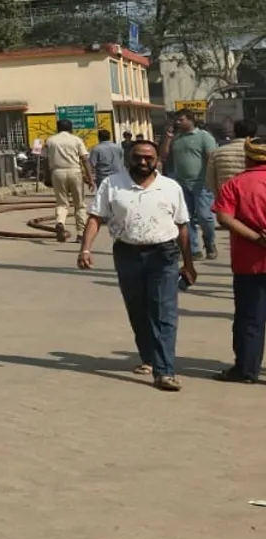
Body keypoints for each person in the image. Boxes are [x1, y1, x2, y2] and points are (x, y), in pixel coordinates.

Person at [79, 137, 196, 391]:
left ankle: (164, 371)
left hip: (163, 255)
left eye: (148, 158)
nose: (143, 162)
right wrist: (85, 248)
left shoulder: (170, 187)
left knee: (164, 312)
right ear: (128, 158)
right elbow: (95, 218)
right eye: (137, 157)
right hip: (127, 254)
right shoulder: (112, 184)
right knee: (138, 309)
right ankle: (149, 358)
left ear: (157, 161)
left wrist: (188, 263)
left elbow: (182, 227)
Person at [212, 137, 266, 384]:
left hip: (249, 264)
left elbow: (224, 218)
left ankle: (246, 370)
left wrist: (256, 238)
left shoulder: (235, 185)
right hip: (250, 264)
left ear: (248, 157)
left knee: (249, 318)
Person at [168, 110, 220, 259]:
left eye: (181, 120)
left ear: (190, 120)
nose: (177, 122)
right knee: (186, 217)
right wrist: (167, 138)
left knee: (205, 216)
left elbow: (211, 159)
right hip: (181, 184)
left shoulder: (204, 136)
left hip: (201, 184)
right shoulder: (176, 138)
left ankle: (209, 241)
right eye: (176, 120)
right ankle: (193, 248)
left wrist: (212, 180)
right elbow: (164, 155)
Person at [43, 119, 92, 243]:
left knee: (62, 203)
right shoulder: (76, 140)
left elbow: (45, 160)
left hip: (57, 172)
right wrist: (90, 178)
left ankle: (60, 222)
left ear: (58, 128)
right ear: (71, 129)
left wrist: (47, 176)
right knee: (79, 204)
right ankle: (81, 234)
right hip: (74, 171)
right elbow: (85, 159)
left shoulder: (50, 140)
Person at [208, 119, 256, 199]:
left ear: (234, 132)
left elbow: (210, 181)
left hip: (226, 198)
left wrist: (219, 196)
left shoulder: (217, 153)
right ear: (254, 133)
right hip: (253, 198)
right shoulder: (259, 152)